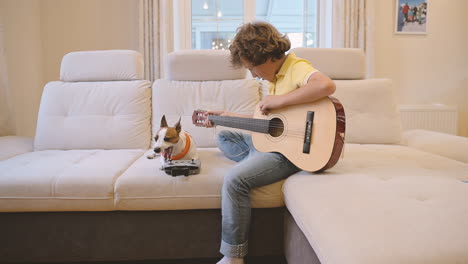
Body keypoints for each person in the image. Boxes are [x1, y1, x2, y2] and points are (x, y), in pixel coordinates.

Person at [204, 21, 336, 264]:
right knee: (224, 136)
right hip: (275, 143)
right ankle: (258, 157)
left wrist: (282, 100)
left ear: (266, 56)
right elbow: (267, 121)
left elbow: (326, 85)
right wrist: (225, 116)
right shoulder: (272, 78)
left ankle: (233, 256)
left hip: (292, 153)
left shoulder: (296, 67)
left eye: (253, 68)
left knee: (235, 180)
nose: (253, 74)